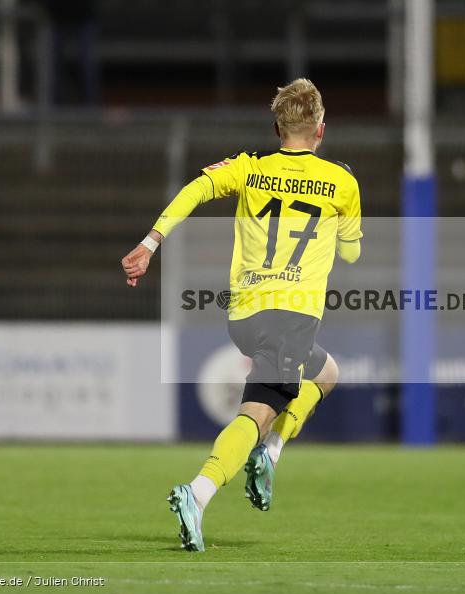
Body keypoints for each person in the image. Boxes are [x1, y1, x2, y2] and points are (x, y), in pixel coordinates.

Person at [120, 79, 362, 552]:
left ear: (277, 128)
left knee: (327, 373)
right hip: (290, 315)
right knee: (257, 414)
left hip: (245, 315)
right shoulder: (342, 183)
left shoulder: (249, 169)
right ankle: (199, 492)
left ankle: (270, 455)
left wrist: (151, 244)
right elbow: (351, 254)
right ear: (321, 131)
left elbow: (194, 190)